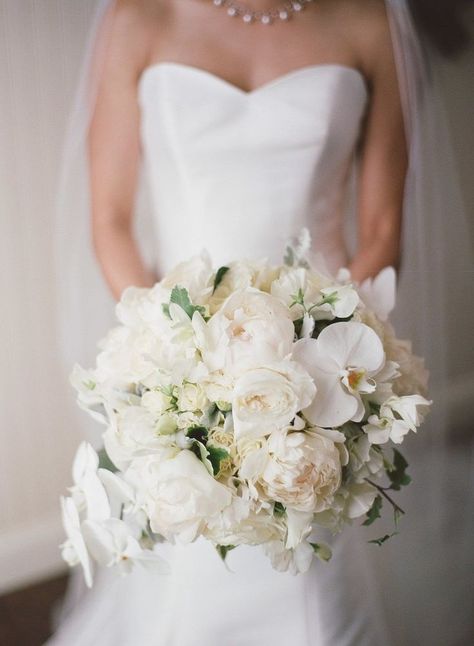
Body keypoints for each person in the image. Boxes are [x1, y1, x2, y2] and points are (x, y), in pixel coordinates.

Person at [48, 1, 474, 644]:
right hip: (181, 353)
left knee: (314, 562)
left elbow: (384, 225)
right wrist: (170, 349)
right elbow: (109, 218)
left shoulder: (369, 20)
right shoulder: (141, 16)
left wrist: (325, 355)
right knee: (190, 550)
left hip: (324, 362)